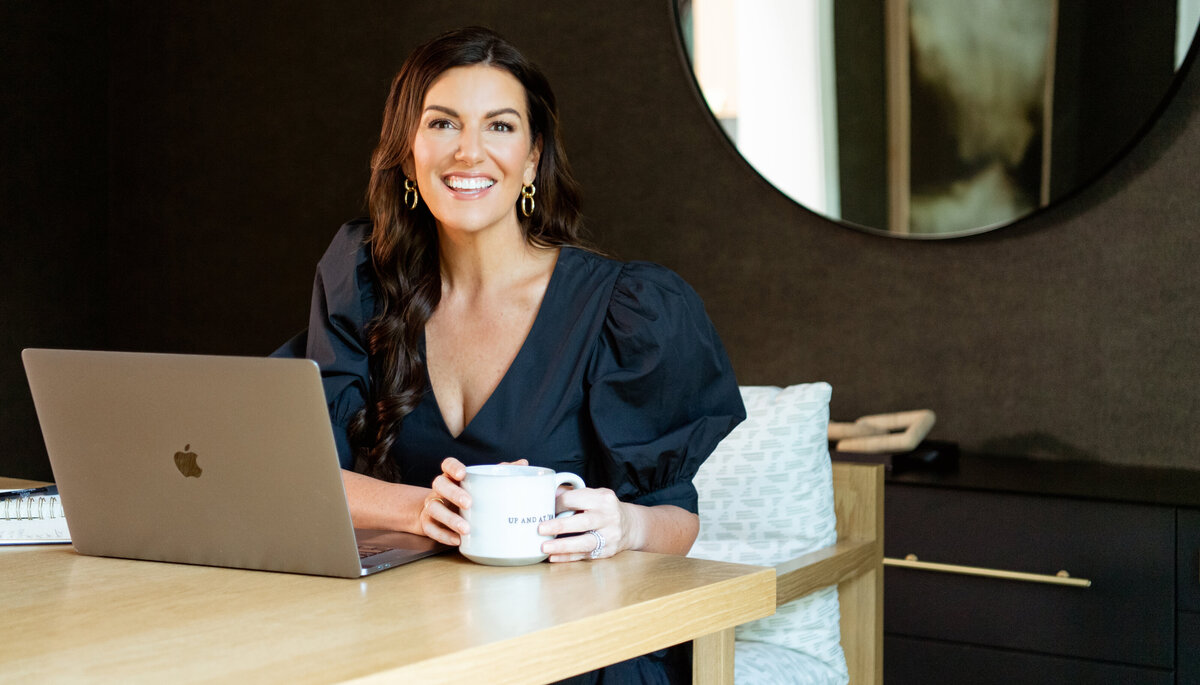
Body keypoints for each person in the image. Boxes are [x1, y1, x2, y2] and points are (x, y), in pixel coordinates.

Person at [291, 26, 744, 683]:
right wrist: (419, 508)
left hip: (575, 651)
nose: (469, 151)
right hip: (410, 640)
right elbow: (303, 477)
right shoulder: (362, 281)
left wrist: (624, 524)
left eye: (500, 127)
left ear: (533, 160)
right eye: (443, 123)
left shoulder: (631, 308)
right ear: (410, 150)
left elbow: (679, 519)